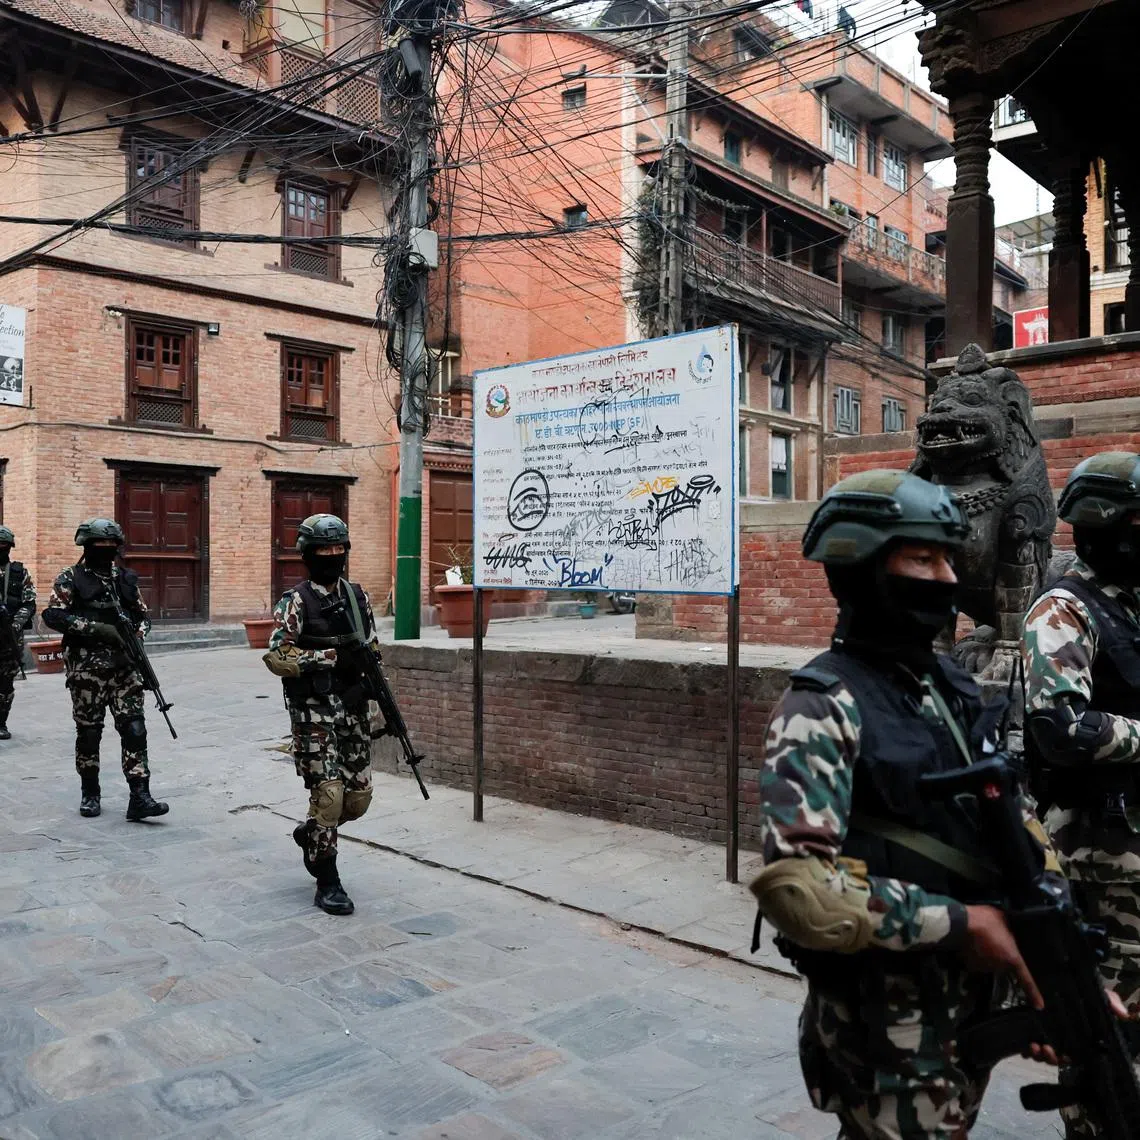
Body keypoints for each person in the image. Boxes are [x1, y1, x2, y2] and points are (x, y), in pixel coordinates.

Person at [751, 469, 1064, 1139]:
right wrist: (962, 924)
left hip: (966, 1015)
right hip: (886, 1031)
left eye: (949, 557)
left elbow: (1003, 814)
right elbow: (798, 891)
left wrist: (1051, 950)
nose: (946, 577)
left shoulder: (946, 684)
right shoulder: (822, 705)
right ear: (863, 564)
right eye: (923, 557)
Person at [1022, 450, 1140, 1138]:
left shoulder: (1132, 608)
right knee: (1108, 1024)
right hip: (1101, 853)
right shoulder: (1064, 610)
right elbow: (1061, 726)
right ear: (1112, 528)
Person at [262, 513, 381, 916]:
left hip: (353, 711)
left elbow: (372, 647)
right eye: (323, 550)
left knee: (357, 800)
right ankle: (327, 882)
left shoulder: (357, 596)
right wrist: (325, 658)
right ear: (307, 555)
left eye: (338, 549)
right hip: (313, 715)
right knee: (329, 797)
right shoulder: (295, 601)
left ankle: (311, 832)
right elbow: (277, 656)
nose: (332, 556)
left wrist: (371, 685)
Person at [42, 519, 169, 820]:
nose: (107, 552)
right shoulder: (70, 578)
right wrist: (96, 628)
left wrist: (136, 635)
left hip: (125, 669)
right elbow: (53, 615)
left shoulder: (124, 579)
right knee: (89, 732)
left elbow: (143, 617)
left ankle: (140, 796)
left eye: (112, 547)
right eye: (100, 547)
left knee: (135, 728)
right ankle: (90, 793)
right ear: (87, 546)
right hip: (87, 671)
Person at [0, 527, 35, 739]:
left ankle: (1, 722)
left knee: (5, 684)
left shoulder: (20, 573)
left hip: (10, 636)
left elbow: (29, 603)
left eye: (4, 546)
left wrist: (13, 624)